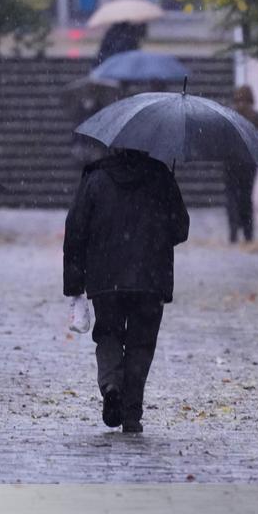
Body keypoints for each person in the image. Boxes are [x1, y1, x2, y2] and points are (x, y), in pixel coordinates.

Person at [63, 148, 189, 433]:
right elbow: (180, 229)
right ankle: (131, 412)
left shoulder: (95, 179)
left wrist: (74, 283)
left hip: (106, 277)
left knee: (108, 333)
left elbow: (75, 230)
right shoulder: (161, 177)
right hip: (150, 277)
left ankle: (111, 386)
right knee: (141, 343)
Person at [225, 85, 258, 243]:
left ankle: (234, 229)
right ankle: (247, 231)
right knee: (246, 197)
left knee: (232, 197)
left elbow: (220, 140)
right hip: (248, 163)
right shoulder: (257, 118)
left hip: (231, 163)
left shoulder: (229, 116)